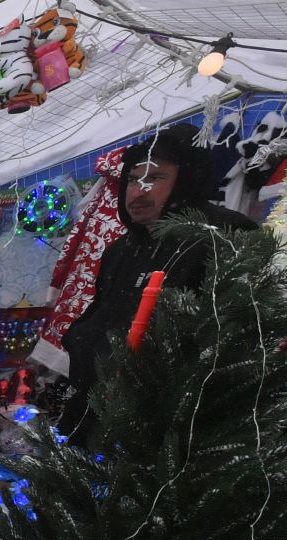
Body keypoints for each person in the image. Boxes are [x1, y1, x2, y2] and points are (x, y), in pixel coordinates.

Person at [57, 123, 258, 445]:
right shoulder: (122, 248)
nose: (138, 191)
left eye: (155, 177)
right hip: (99, 414)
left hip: (180, 430)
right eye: (133, 179)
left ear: (187, 179)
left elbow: (238, 336)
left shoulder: (224, 234)